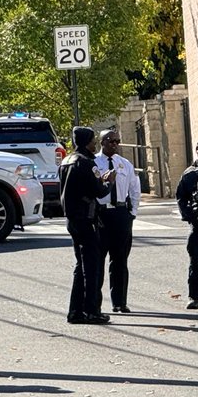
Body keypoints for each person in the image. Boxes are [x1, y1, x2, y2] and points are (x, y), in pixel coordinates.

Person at [59, 126, 115, 324]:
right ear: (86, 141)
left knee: (80, 265)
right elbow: (99, 191)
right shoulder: (86, 162)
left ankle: (75, 311)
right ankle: (92, 311)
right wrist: (109, 182)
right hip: (86, 218)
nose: (95, 144)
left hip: (72, 219)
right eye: (93, 140)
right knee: (91, 267)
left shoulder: (67, 161)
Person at [95, 129, 140, 313]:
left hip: (121, 213)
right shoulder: (94, 163)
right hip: (101, 214)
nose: (114, 144)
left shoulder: (125, 164)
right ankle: (95, 303)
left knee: (120, 260)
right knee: (97, 260)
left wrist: (132, 213)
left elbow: (134, 189)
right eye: (110, 140)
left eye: (117, 141)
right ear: (101, 142)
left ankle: (119, 302)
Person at [174, 139, 198, 309]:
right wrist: (189, 216)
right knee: (195, 262)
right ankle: (194, 297)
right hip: (197, 224)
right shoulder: (189, 173)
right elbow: (181, 197)